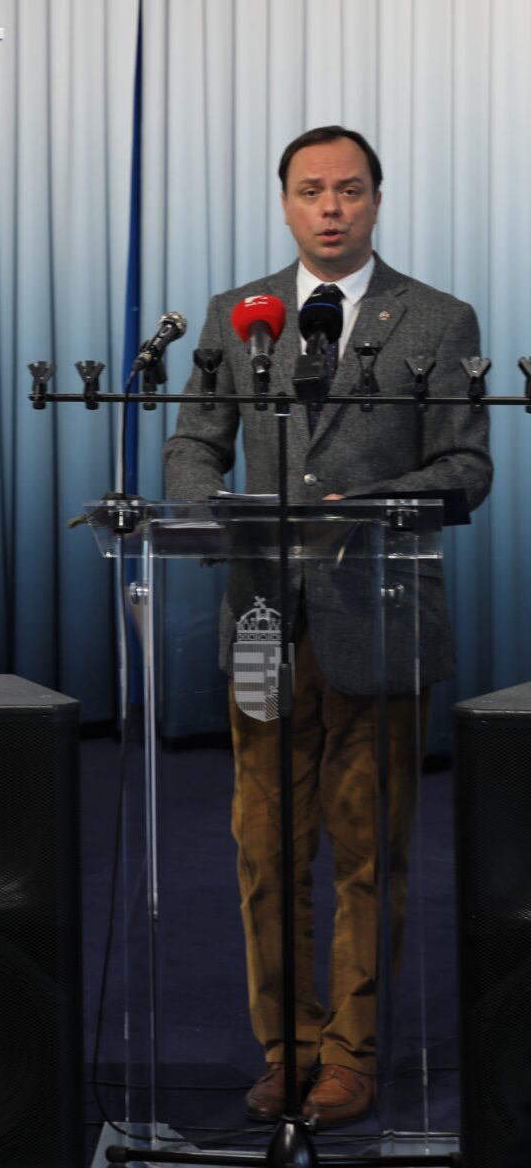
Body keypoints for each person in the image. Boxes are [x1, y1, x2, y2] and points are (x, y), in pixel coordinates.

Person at [164, 126, 492, 1127]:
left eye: (349, 189)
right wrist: (213, 516)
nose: (331, 207)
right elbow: (192, 444)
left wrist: (363, 507)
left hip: (379, 615)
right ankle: (288, 1047)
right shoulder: (236, 315)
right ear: (285, 204)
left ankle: (350, 1053)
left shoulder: (437, 318)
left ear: (376, 200)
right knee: (264, 851)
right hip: (263, 617)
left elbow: (465, 467)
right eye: (311, 190)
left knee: (365, 849)